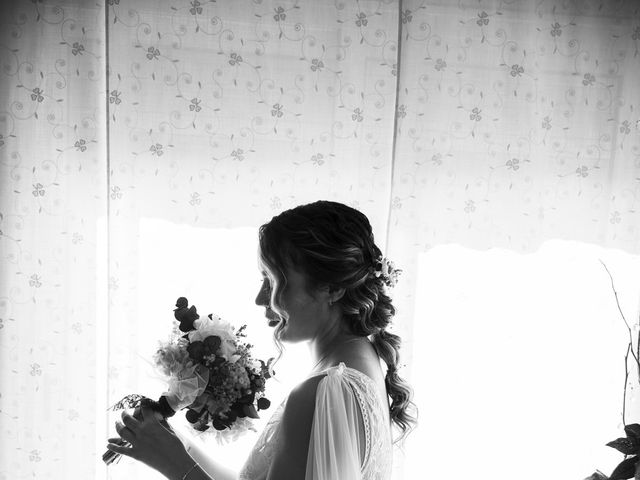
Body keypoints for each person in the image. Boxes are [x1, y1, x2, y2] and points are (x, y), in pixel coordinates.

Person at [107, 200, 417, 480]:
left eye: (273, 280)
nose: (260, 299)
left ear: (332, 289)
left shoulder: (320, 391)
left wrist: (172, 463)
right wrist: (175, 443)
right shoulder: (362, 362)